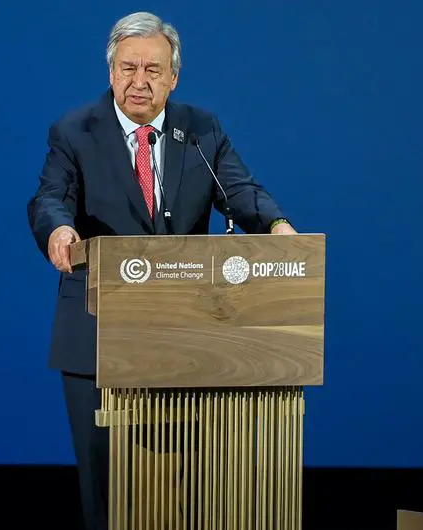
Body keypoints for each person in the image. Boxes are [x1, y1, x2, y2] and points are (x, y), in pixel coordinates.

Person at [26, 11, 297, 530]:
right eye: (128, 68)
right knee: (107, 490)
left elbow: (239, 190)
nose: (140, 81)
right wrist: (59, 231)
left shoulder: (200, 130)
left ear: (174, 77)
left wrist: (277, 224)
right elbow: (50, 197)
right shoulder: (74, 131)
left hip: (185, 332)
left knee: (193, 484)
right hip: (99, 332)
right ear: (111, 72)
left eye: (153, 70)